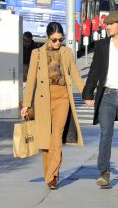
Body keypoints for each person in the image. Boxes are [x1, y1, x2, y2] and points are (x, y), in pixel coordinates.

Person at [21, 22, 85, 190]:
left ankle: (52, 177)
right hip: (43, 99)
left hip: (62, 97)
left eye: (60, 39)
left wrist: (88, 94)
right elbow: (31, 80)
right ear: (48, 37)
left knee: (56, 137)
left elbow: (76, 76)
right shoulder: (37, 53)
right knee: (45, 140)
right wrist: (26, 104)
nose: (57, 43)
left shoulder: (66, 52)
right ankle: (51, 173)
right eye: (54, 40)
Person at [82, 12, 118, 188]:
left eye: (110, 24)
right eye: (106, 24)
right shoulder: (101, 46)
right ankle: (104, 172)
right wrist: (88, 93)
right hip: (107, 95)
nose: (107, 26)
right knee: (105, 134)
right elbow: (93, 71)